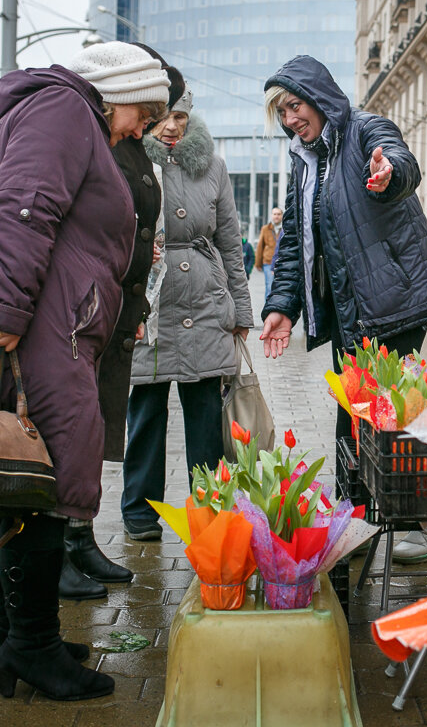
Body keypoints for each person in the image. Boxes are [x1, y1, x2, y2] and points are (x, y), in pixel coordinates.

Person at [0, 41, 170, 701]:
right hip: (37, 322)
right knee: (36, 477)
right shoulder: (66, 110)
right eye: (142, 112)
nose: (140, 129)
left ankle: (10, 636)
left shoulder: (62, 111)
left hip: (48, 317)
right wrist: (10, 310)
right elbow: (23, 207)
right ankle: (32, 647)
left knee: (12, 470)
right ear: (118, 89)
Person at [258, 55, 427, 563]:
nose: (291, 118)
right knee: (352, 418)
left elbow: (401, 163)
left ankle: (420, 524)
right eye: (282, 112)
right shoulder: (305, 162)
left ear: (317, 97)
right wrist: (282, 307)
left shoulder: (365, 130)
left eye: (295, 105)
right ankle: (354, 518)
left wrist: (390, 171)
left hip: (397, 302)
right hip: (349, 316)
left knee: (395, 417)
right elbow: (294, 244)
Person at [60, 48, 186, 602]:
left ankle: (79, 534)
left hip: (114, 307)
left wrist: (134, 312)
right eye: (154, 108)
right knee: (68, 430)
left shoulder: (132, 147)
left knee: (94, 428)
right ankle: (58, 545)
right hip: (83, 306)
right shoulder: (97, 138)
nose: (159, 121)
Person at [121, 87, 254, 541]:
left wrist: (240, 309)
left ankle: (211, 508)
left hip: (205, 301)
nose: (173, 126)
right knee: (144, 413)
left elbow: (231, 245)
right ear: (148, 116)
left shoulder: (212, 166)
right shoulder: (130, 160)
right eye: (164, 116)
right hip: (150, 301)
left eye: (181, 116)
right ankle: (139, 509)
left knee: (204, 417)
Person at [255, 206, 282, 298]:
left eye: (279, 214)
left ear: (282, 216)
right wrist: (258, 264)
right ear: (271, 216)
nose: (276, 216)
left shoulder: (285, 229)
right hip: (268, 262)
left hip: (282, 263)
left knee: (280, 289)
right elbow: (260, 246)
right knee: (269, 288)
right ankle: (268, 309)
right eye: (275, 214)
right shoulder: (265, 229)